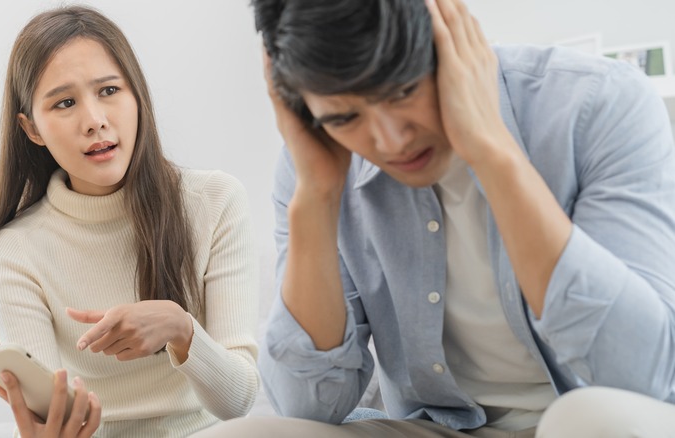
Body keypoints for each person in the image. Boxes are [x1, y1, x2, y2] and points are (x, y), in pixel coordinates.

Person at [191, 0, 675, 437]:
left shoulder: (599, 102)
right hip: (444, 428)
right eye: (344, 118)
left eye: (403, 91)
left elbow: (639, 377)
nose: (391, 140)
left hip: (595, 419)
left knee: (590, 419)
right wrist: (316, 194)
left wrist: (492, 151)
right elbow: (307, 406)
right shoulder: (314, 164)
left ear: (448, 34)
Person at [0, 5, 259, 437]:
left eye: (109, 90)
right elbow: (50, 412)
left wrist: (181, 330)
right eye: (65, 102)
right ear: (31, 129)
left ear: (137, 95)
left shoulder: (214, 202)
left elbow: (238, 403)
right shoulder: (17, 249)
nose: (95, 121)